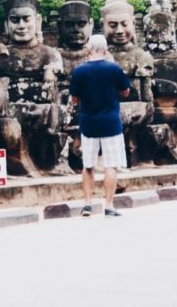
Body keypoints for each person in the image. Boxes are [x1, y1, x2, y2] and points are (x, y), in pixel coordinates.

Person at [69, 34, 131, 217]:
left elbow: (73, 99)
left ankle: (87, 204)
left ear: (89, 49)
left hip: (88, 123)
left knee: (88, 165)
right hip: (111, 122)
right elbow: (126, 91)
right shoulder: (113, 68)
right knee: (110, 165)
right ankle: (109, 205)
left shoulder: (79, 71)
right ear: (106, 49)